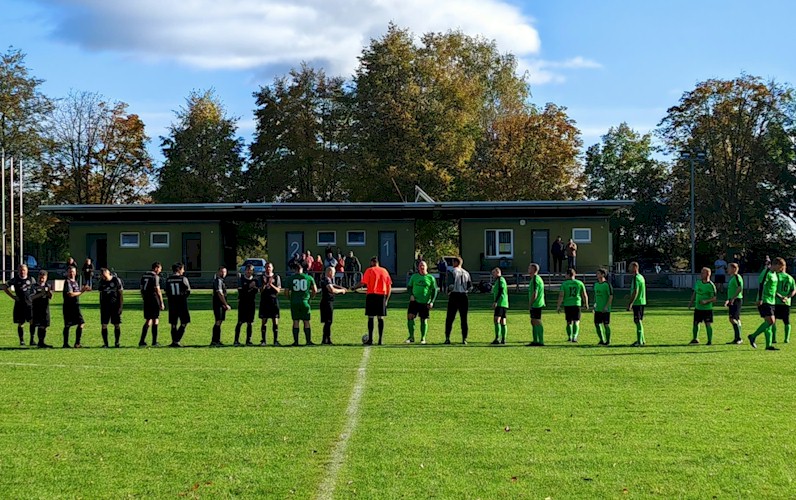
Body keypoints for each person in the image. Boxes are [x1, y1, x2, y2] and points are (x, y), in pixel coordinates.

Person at [352, 256, 392, 345]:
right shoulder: (384, 271)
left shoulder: (369, 270)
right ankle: (380, 340)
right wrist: (386, 299)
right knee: (380, 318)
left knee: (371, 317)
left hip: (371, 295)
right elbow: (389, 286)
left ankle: (370, 339)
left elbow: (363, 283)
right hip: (382, 296)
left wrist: (354, 287)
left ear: (372, 262)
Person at [748, 257, 781, 351]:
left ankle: (768, 345)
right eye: (781, 267)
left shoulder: (774, 274)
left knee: (768, 323)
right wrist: (760, 299)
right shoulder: (766, 272)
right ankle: (753, 336)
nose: (781, 269)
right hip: (764, 300)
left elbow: (772, 288)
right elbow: (761, 285)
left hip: (772, 300)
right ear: (776, 265)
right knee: (771, 321)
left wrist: (779, 296)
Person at [406, 260, 438, 344]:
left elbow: (434, 290)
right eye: (420, 266)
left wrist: (432, 301)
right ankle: (411, 337)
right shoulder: (414, 277)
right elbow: (409, 287)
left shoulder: (430, 278)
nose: (421, 267)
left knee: (423, 320)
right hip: (414, 301)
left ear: (426, 267)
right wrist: (411, 295)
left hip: (425, 302)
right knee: (410, 317)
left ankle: (423, 338)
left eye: (423, 265)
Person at [285, 261, 317, 346]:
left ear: (295, 269)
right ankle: (308, 341)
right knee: (306, 321)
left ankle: (296, 341)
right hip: (305, 302)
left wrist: (290, 298)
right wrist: (311, 297)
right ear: (302, 269)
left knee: (295, 321)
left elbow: (286, 292)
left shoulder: (290, 279)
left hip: (294, 302)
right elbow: (315, 290)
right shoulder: (309, 278)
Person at [4, 264, 35, 346]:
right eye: (21, 270)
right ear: (18, 271)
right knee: (21, 323)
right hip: (19, 305)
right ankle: (21, 341)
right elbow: (4, 287)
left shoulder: (31, 279)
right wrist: (13, 296)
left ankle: (32, 340)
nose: (22, 272)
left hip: (29, 304)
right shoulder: (15, 279)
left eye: (24, 270)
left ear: (27, 271)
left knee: (32, 322)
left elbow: (36, 289)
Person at [556, 268, 589, 342]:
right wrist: (586, 303)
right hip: (576, 304)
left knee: (568, 322)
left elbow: (561, 295)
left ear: (568, 275)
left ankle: (569, 336)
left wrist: (558, 306)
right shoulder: (579, 283)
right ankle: (575, 336)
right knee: (576, 321)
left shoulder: (564, 284)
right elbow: (584, 294)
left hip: (568, 304)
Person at [444, 256, 471, 344]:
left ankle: (447, 338)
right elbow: (470, 286)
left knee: (450, 318)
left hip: (454, 295)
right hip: (464, 296)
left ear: (455, 263)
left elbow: (450, 285)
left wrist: (448, 291)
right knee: (464, 318)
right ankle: (464, 338)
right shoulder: (466, 273)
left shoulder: (451, 271)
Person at [688, 267, 717, 345]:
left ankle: (709, 341)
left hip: (707, 309)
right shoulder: (698, 282)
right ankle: (695, 339)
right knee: (695, 323)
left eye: (702, 273)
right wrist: (691, 302)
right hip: (698, 308)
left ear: (708, 274)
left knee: (708, 324)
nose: (701, 274)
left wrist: (706, 301)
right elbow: (695, 292)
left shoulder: (711, 285)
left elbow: (714, 299)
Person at [165, 263, 191, 347]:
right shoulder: (183, 278)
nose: (183, 271)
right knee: (184, 322)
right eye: (183, 269)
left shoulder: (168, 279)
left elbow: (166, 291)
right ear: (179, 269)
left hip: (172, 303)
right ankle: (177, 340)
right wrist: (183, 297)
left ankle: (174, 341)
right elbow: (188, 290)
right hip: (181, 303)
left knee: (173, 323)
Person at [63, 265, 90, 348]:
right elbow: (70, 294)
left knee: (81, 323)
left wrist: (83, 290)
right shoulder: (68, 282)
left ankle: (77, 343)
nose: (71, 273)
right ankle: (66, 343)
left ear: (75, 273)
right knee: (67, 325)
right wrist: (82, 291)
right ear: (67, 273)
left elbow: (76, 293)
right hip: (69, 306)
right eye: (70, 272)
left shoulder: (75, 282)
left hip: (75, 305)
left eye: (73, 272)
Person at [139, 262, 164, 347]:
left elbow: (141, 289)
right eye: (160, 268)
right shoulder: (155, 277)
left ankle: (142, 341)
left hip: (146, 299)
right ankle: (154, 341)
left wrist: (144, 297)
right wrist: (161, 302)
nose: (160, 270)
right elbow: (158, 290)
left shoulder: (144, 275)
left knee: (148, 319)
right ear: (156, 268)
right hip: (154, 299)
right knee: (155, 319)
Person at [320, 266, 347, 345]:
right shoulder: (326, 280)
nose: (334, 275)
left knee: (327, 322)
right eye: (334, 273)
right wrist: (341, 290)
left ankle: (325, 339)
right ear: (330, 272)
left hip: (326, 302)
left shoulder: (327, 279)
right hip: (327, 302)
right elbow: (332, 289)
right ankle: (327, 339)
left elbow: (333, 285)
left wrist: (342, 287)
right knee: (328, 321)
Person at [98, 267, 124, 348]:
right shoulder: (102, 282)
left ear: (108, 273)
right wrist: (101, 306)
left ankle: (117, 342)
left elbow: (120, 294)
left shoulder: (116, 280)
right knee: (104, 325)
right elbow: (101, 294)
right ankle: (106, 344)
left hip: (115, 306)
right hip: (105, 307)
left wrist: (120, 307)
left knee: (116, 324)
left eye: (104, 275)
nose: (103, 277)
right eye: (102, 276)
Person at [234, 264, 259, 346]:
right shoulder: (241, 279)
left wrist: (252, 288)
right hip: (242, 303)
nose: (249, 271)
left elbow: (256, 291)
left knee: (250, 322)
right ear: (245, 270)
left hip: (251, 303)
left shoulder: (255, 280)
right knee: (240, 322)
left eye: (251, 270)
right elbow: (241, 292)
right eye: (248, 270)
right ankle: (236, 340)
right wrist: (249, 287)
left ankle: (248, 340)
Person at [773, 259, 796, 344]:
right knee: (786, 321)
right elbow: (794, 290)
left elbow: (772, 289)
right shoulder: (790, 278)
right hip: (786, 302)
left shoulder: (776, 276)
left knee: (773, 321)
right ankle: (786, 339)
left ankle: (774, 338)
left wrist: (780, 296)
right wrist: (788, 297)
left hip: (776, 302)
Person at [259, 262, 282, 346]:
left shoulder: (276, 277)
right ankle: (263, 340)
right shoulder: (262, 277)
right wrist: (265, 284)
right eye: (267, 267)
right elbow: (260, 291)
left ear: (272, 268)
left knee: (275, 321)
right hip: (264, 301)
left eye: (269, 267)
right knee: (264, 321)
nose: (268, 269)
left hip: (273, 301)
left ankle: (275, 340)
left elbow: (278, 290)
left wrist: (271, 284)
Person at [29, 270, 53, 348]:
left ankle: (41, 342)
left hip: (45, 309)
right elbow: (31, 297)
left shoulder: (48, 286)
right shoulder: (34, 286)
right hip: (36, 308)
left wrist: (49, 292)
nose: (42, 279)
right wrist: (41, 294)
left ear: (46, 278)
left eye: (43, 277)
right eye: (40, 277)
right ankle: (35, 340)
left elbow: (50, 297)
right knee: (37, 324)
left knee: (44, 325)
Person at [626, 261, 647, 346]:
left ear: (635, 267)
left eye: (630, 267)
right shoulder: (641, 277)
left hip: (637, 302)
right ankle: (642, 339)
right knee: (639, 320)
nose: (629, 269)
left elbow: (636, 291)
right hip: (642, 301)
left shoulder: (636, 278)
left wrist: (630, 303)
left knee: (637, 321)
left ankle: (639, 341)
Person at [211, 266, 232, 346]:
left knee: (219, 321)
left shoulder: (221, 281)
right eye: (221, 272)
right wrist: (225, 304)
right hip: (218, 305)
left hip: (220, 305)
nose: (223, 273)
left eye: (224, 272)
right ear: (218, 272)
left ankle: (217, 340)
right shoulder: (218, 281)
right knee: (218, 321)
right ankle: (215, 340)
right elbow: (220, 293)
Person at [724, 262, 744, 344]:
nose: (727, 269)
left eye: (729, 268)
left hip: (736, 300)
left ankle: (738, 338)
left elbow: (740, 288)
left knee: (733, 319)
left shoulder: (736, 277)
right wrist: (728, 299)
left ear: (734, 269)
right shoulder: (732, 278)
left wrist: (733, 298)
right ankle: (737, 338)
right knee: (735, 319)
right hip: (733, 300)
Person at [593, 268, 614, 345]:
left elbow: (610, 296)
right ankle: (601, 339)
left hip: (605, 309)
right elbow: (595, 296)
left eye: (598, 273)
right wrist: (594, 304)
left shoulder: (607, 285)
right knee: (597, 324)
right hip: (598, 308)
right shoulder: (596, 284)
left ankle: (608, 340)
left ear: (603, 274)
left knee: (606, 324)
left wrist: (606, 306)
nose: (597, 275)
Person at [528, 263, 546, 346]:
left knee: (537, 321)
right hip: (537, 303)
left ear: (534, 270)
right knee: (533, 321)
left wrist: (530, 303)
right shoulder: (535, 279)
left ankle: (540, 341)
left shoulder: (535, 279)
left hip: (536, 304)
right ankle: (535, 340)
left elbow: (535, 293)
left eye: (530, 268)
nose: (528, 269)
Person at [491, 267, 509, 345]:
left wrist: (496, 301)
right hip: (504, 303)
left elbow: (501, 290)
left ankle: (497, 338)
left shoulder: (500, 280)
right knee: (503, 320)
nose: (493, 275)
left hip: (501, 303)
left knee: (497, 320)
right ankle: (503, 339)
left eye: (493, 273)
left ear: (498, 272)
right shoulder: (500, 280)